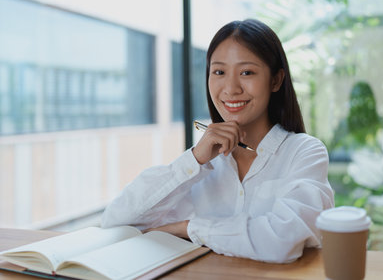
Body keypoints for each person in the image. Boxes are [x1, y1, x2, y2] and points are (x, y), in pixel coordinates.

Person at [101, 19, 334, 263]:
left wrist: (189, 228)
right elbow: (115, 223)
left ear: (276, 80)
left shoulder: (304, 152)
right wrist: (194, 159)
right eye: (219, 72)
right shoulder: (202, 163)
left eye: (246, 72)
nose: (231, 88)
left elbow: (284, 240)